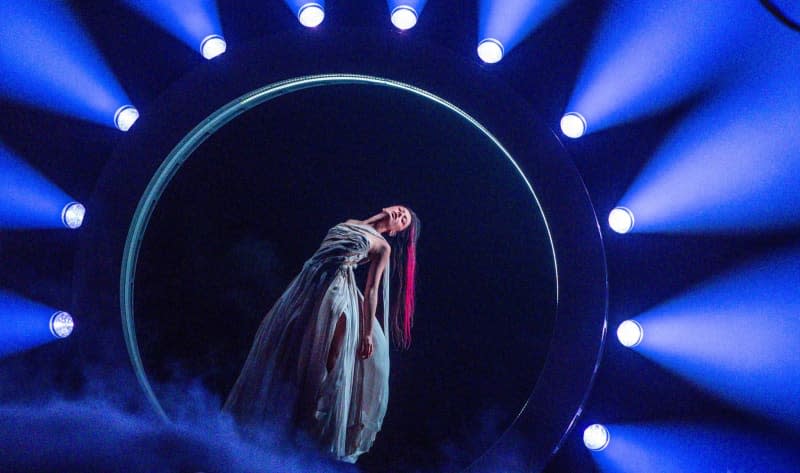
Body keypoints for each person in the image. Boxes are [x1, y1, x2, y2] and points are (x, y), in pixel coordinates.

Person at [223, 205, 421, 463]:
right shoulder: (350, 220)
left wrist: (367, 333)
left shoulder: (383, 246)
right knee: (290, 347)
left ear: (396, 231)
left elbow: (372, 290)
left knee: (330, 356)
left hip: (338, 290)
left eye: (404, 220)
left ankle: (317, 421)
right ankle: (275, 423)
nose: (400, 215)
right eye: (401, 211)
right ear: (389, 208)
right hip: (308, 284)